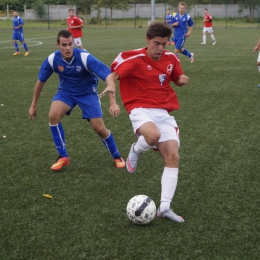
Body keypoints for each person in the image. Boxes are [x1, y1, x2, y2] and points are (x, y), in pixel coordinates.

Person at [101, 21, 189, 223]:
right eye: (156, 43)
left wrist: (183, 78)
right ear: (147, 40)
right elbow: (112, 74)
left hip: (163, 111)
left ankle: (164, 207)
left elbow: (176, 77)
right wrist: (112, 86)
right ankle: (137, 149)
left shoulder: (171, 58)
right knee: (153, 135)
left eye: (164, 44)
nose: (160, 48)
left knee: (173, 156)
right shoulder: (132, 57)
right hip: (139, 107)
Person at [29, 30, 125, 171]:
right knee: (53, 116)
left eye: (70, 44)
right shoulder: (52, 59)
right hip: (66, 92)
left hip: (87, 93)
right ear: (57, 45)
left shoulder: (85, 58)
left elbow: (109, 77)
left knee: (99, 128)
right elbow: (40, 81)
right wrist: (33, 105)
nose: (68, 48)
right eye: (64, 45)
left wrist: (112, 102)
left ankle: (116, 155)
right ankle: (63, 156)